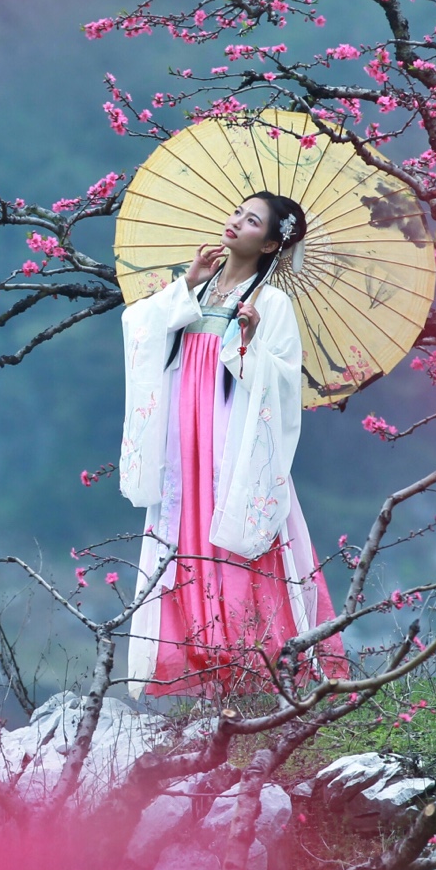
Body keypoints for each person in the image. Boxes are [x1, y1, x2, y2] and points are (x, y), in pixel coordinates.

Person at [118, 191, 348, 698]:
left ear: (269, 245)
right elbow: (140, 328)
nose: (235, 223)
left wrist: (248, 341)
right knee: (185, 529)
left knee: (236, 527)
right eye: (237, 213)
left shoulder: (272, 303)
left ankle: (254, 657)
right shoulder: (197, 290)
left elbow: (284, 382)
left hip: (231, 435)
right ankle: (204, 663)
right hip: (185, 435)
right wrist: (188, 284)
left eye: (251, 221)